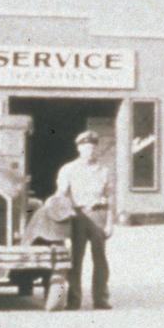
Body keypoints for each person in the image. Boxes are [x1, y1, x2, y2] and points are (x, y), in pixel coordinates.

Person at [54, 129, 116, 310]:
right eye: (85, 147)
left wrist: (110, 223)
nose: (89, 151)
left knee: (100, 259)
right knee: (76, 258)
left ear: (96, 149)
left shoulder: (104, 170)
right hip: (78, 216)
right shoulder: (68, 169)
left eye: (92, 147)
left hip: (98, 215)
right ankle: (74, 300)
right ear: (79, 148)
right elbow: (61, 193)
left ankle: (101, 299)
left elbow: (110, 198)